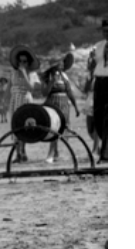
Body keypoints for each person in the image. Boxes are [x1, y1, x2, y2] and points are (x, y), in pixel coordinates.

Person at [38, 52, 84, 163]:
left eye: (63, 62)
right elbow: (44, 93)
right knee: (54, 128)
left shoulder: (64, 76)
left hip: (64, 104)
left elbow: (69, 92)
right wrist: (51, 82)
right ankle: (51, 153)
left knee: (63, 128)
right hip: (52, 104)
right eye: (60, 62)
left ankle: (57, 153)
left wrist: (76, 107)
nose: (62, 64)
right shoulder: (47, 77)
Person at [10, 48, 42, 162]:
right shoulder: (13, 73)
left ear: (28, 63)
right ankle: (17, 153)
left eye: (25, 61)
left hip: (25, 98)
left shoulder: (31, 74)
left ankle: (23, 151)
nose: (22, 64)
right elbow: (11, 86)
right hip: (15, 99)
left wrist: (24, 73)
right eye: (20, 61)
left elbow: (31, 88)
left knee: (25, 125)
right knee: (15, 126)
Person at [83, 19, 108, 161]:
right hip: (99, 82)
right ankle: (102, 148)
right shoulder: (98, 46)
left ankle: (105, 153)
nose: (106, 33)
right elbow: (93, 67)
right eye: (104, 31)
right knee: (98, 118)